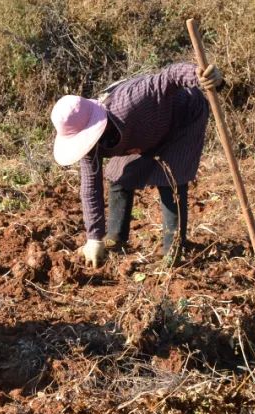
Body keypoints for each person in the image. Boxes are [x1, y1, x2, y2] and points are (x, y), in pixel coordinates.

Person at [50, 60, 224, 268]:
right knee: (120, 176)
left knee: (170, 181)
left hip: (182, 118)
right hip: (143, 134)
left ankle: (173, 253)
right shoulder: (92, 146)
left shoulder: (133, 100)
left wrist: (198, 75)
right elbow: (90, 188)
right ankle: (115, 238)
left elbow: (169, 76)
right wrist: (94, 238)